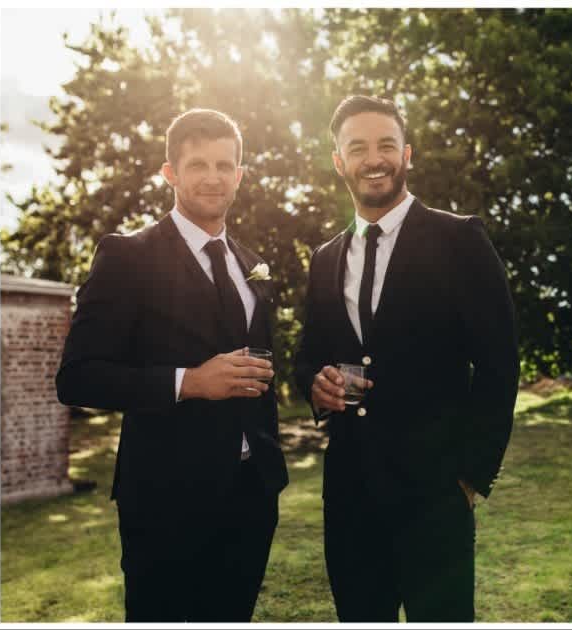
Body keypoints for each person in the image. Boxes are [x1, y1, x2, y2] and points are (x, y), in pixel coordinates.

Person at [56, 108, 287, 622]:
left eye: (224, 166)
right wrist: (190, 382)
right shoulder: (127, 256)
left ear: (239, 175)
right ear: (170, 173)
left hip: (252, 496)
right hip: (165, 500)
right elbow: (77, 378)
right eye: (198, 164)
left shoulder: (252, 263)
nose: (213, 177)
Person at [294, 95, 518, 622]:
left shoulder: (460, 238)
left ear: (407, 154)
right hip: (349, 499)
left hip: (436, 498)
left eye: (386, 145)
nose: (374, 159)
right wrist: (314, 385)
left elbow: (499, 363)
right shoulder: (325, 258)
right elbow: (309, 356)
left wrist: (470, 476)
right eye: (358, 148)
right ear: (339, 161)